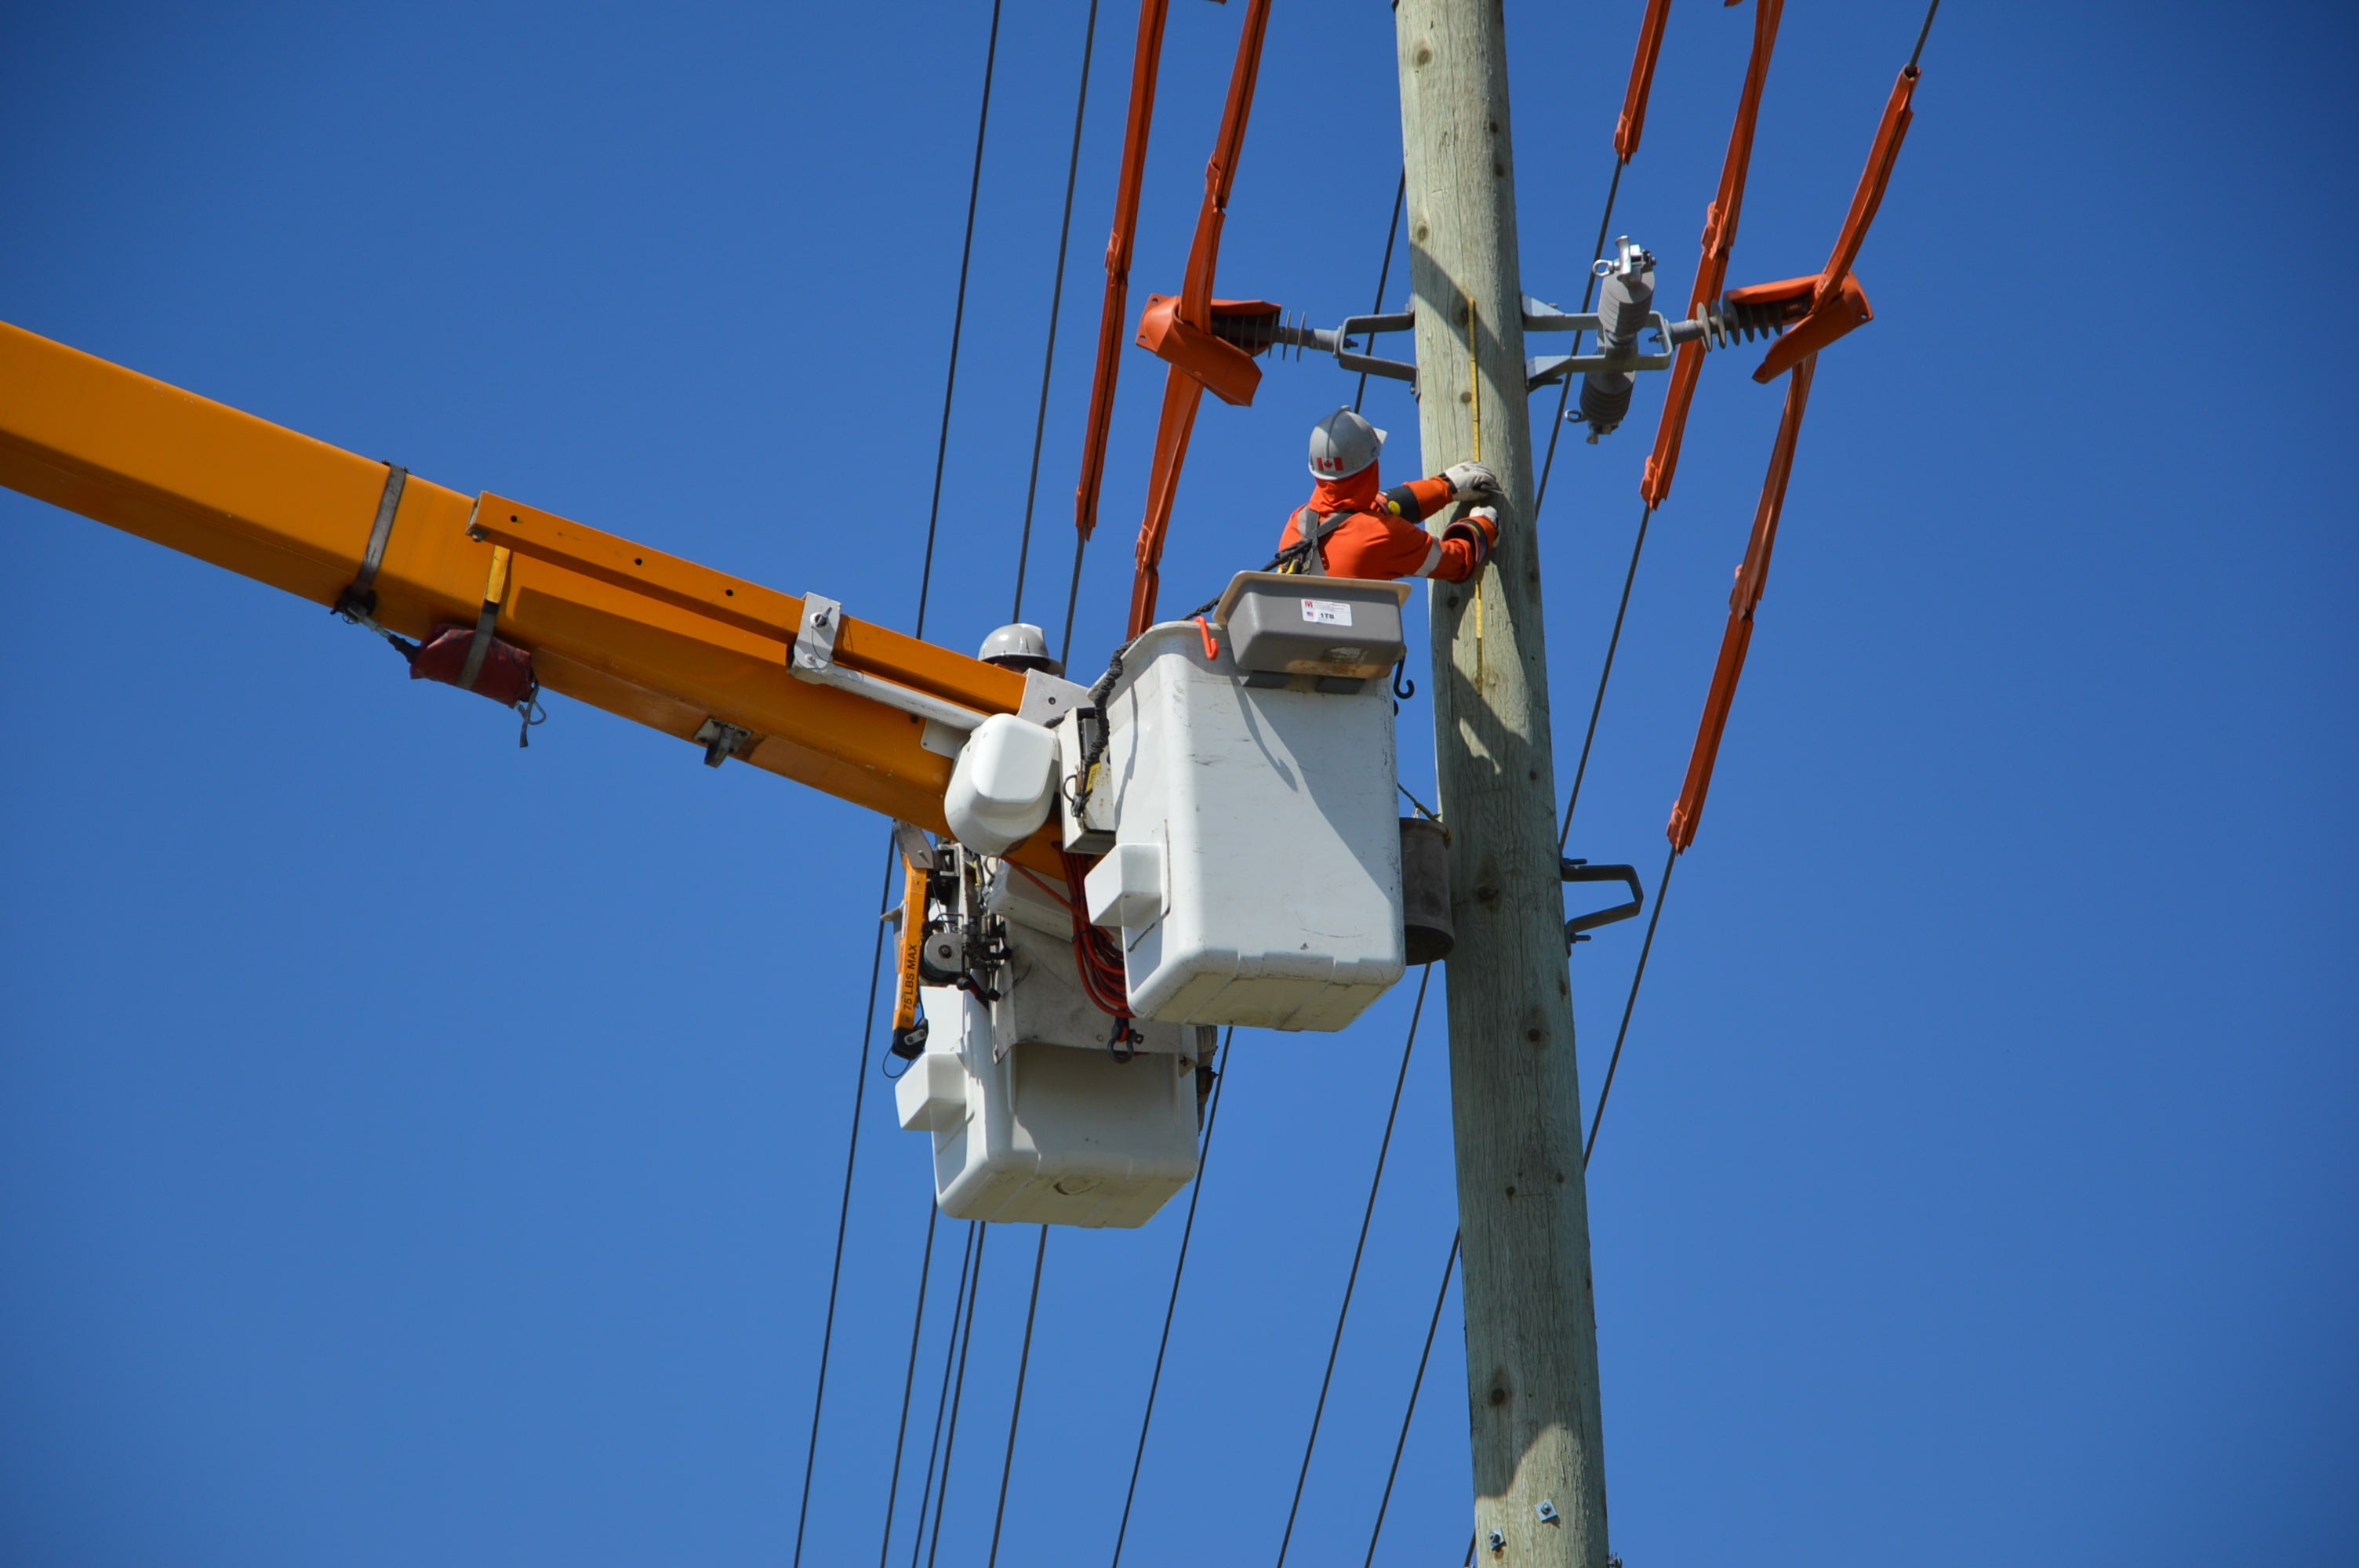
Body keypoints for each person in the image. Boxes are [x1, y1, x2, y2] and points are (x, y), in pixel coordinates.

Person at [1276, 408, 1500, 582]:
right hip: (1355, 640)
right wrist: (1484, 524)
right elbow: (1456, 562)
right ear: (1369, 467)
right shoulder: (1385, 536)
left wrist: (1445, 487)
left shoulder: (1298, 523)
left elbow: (1372, 509)